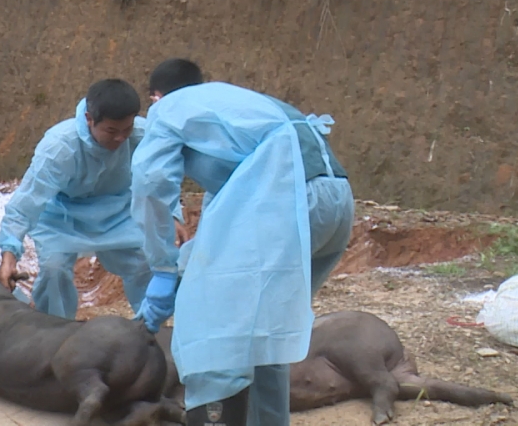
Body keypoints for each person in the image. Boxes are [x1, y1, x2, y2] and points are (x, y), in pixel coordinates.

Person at [130, 59, 354, 426]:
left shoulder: (169, 108)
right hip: (336, 202)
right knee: (266, 333)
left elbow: (150, 179)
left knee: (215, 332)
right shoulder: (234, 102)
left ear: (156, 98)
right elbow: (236, 190)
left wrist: (163, 265)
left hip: (288, 205)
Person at [0, 79, 153, 320]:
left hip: (118, 213)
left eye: (126, 129)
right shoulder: (60, 147)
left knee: (147, 263)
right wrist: (9, 255)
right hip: (62, 216)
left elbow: (162, 180)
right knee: (53, 271)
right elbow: (27, 203)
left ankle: (150, 322)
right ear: (89, 119)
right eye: (111, 131)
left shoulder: (142, 136)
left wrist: (173, 216)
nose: (120, 138)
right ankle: (54, 332)